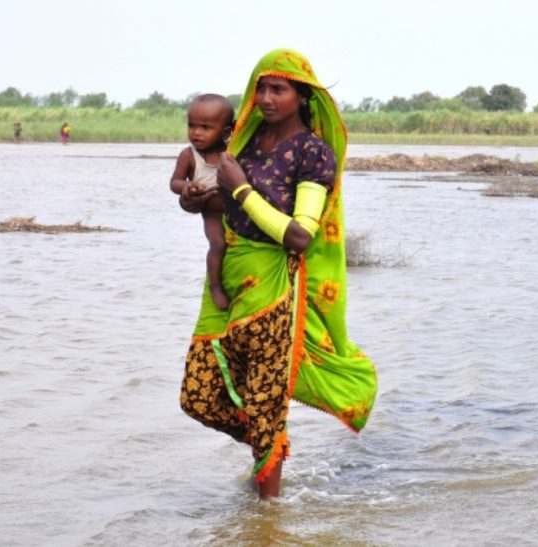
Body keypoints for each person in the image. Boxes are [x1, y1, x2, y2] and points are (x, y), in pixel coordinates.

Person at [178, 49, 378, 499]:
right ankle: (270, 450)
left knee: (266, 405)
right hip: (228, 284)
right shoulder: (243, 142)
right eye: (261, 88)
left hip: (273, 290)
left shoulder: (313, 153)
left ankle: (267, 518)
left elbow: (300, 236)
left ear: (301, 96)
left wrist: (241, 188)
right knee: (198, 396)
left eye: (278, 89)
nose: (266, 98)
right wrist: (193, 200)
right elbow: (218, 200)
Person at [169, 94, 234, 310]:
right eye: (192, 126)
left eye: (206, 127)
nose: (196, 133)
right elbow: (175, 182)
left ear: (225, 132)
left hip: (235, 212)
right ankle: (215, 285)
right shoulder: (189, 155)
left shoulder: (232, 151)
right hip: (212, 213)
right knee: (218, 244)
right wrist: (186, 187)